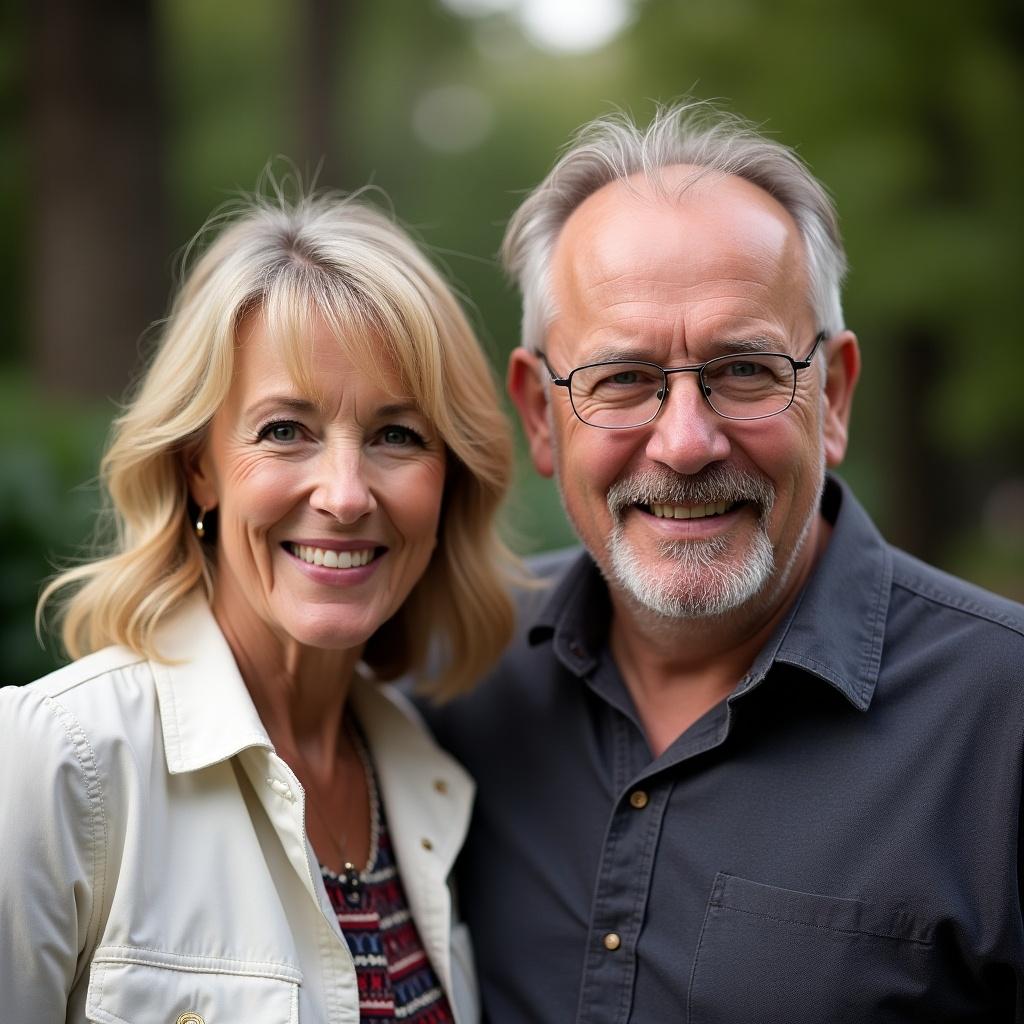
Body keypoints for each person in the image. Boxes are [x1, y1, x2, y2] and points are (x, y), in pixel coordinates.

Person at [423, 102, 1024, 1021]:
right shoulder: (454, 672)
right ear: (541, 415)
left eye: (745, 370)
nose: (687, 441)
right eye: (621, 379)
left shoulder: (1003, 724)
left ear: (833, 395)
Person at [0, 186, 517, 1023]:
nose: (345, 495)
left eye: (397, 435)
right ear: (198, 464)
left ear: (449, 480)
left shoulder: (428, 772)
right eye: (285, 430)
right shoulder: (58, 763)